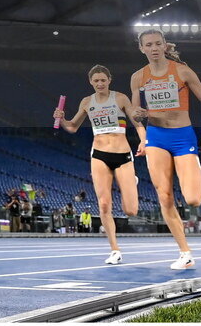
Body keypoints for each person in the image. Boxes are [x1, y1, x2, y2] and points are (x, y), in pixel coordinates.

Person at [130, 28, 201, 270]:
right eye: (149, 45)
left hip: (182, 136)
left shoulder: (181, 71)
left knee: (193, 199)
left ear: (165, 45)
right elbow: (136, 114)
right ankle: (185, 253)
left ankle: (195, 175)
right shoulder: (138, 77)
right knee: (164, 195)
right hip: (156, 137)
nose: (154, 48)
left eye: (158, 43)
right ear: (142, 48)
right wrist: (140, 124)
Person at [54, 65, 146, 264]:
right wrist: (61, 120)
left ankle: (132, 180)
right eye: (96, 81)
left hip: (122, 155)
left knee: (131, 210)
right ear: (91, 82)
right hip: (99, 155)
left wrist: (143, 140)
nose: (100, 83)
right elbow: (72, 127)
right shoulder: (87, 102)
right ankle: (115, 250)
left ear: (109, 80)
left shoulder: (121, 98)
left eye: (103, 80)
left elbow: (137, 122)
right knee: (104, 204)